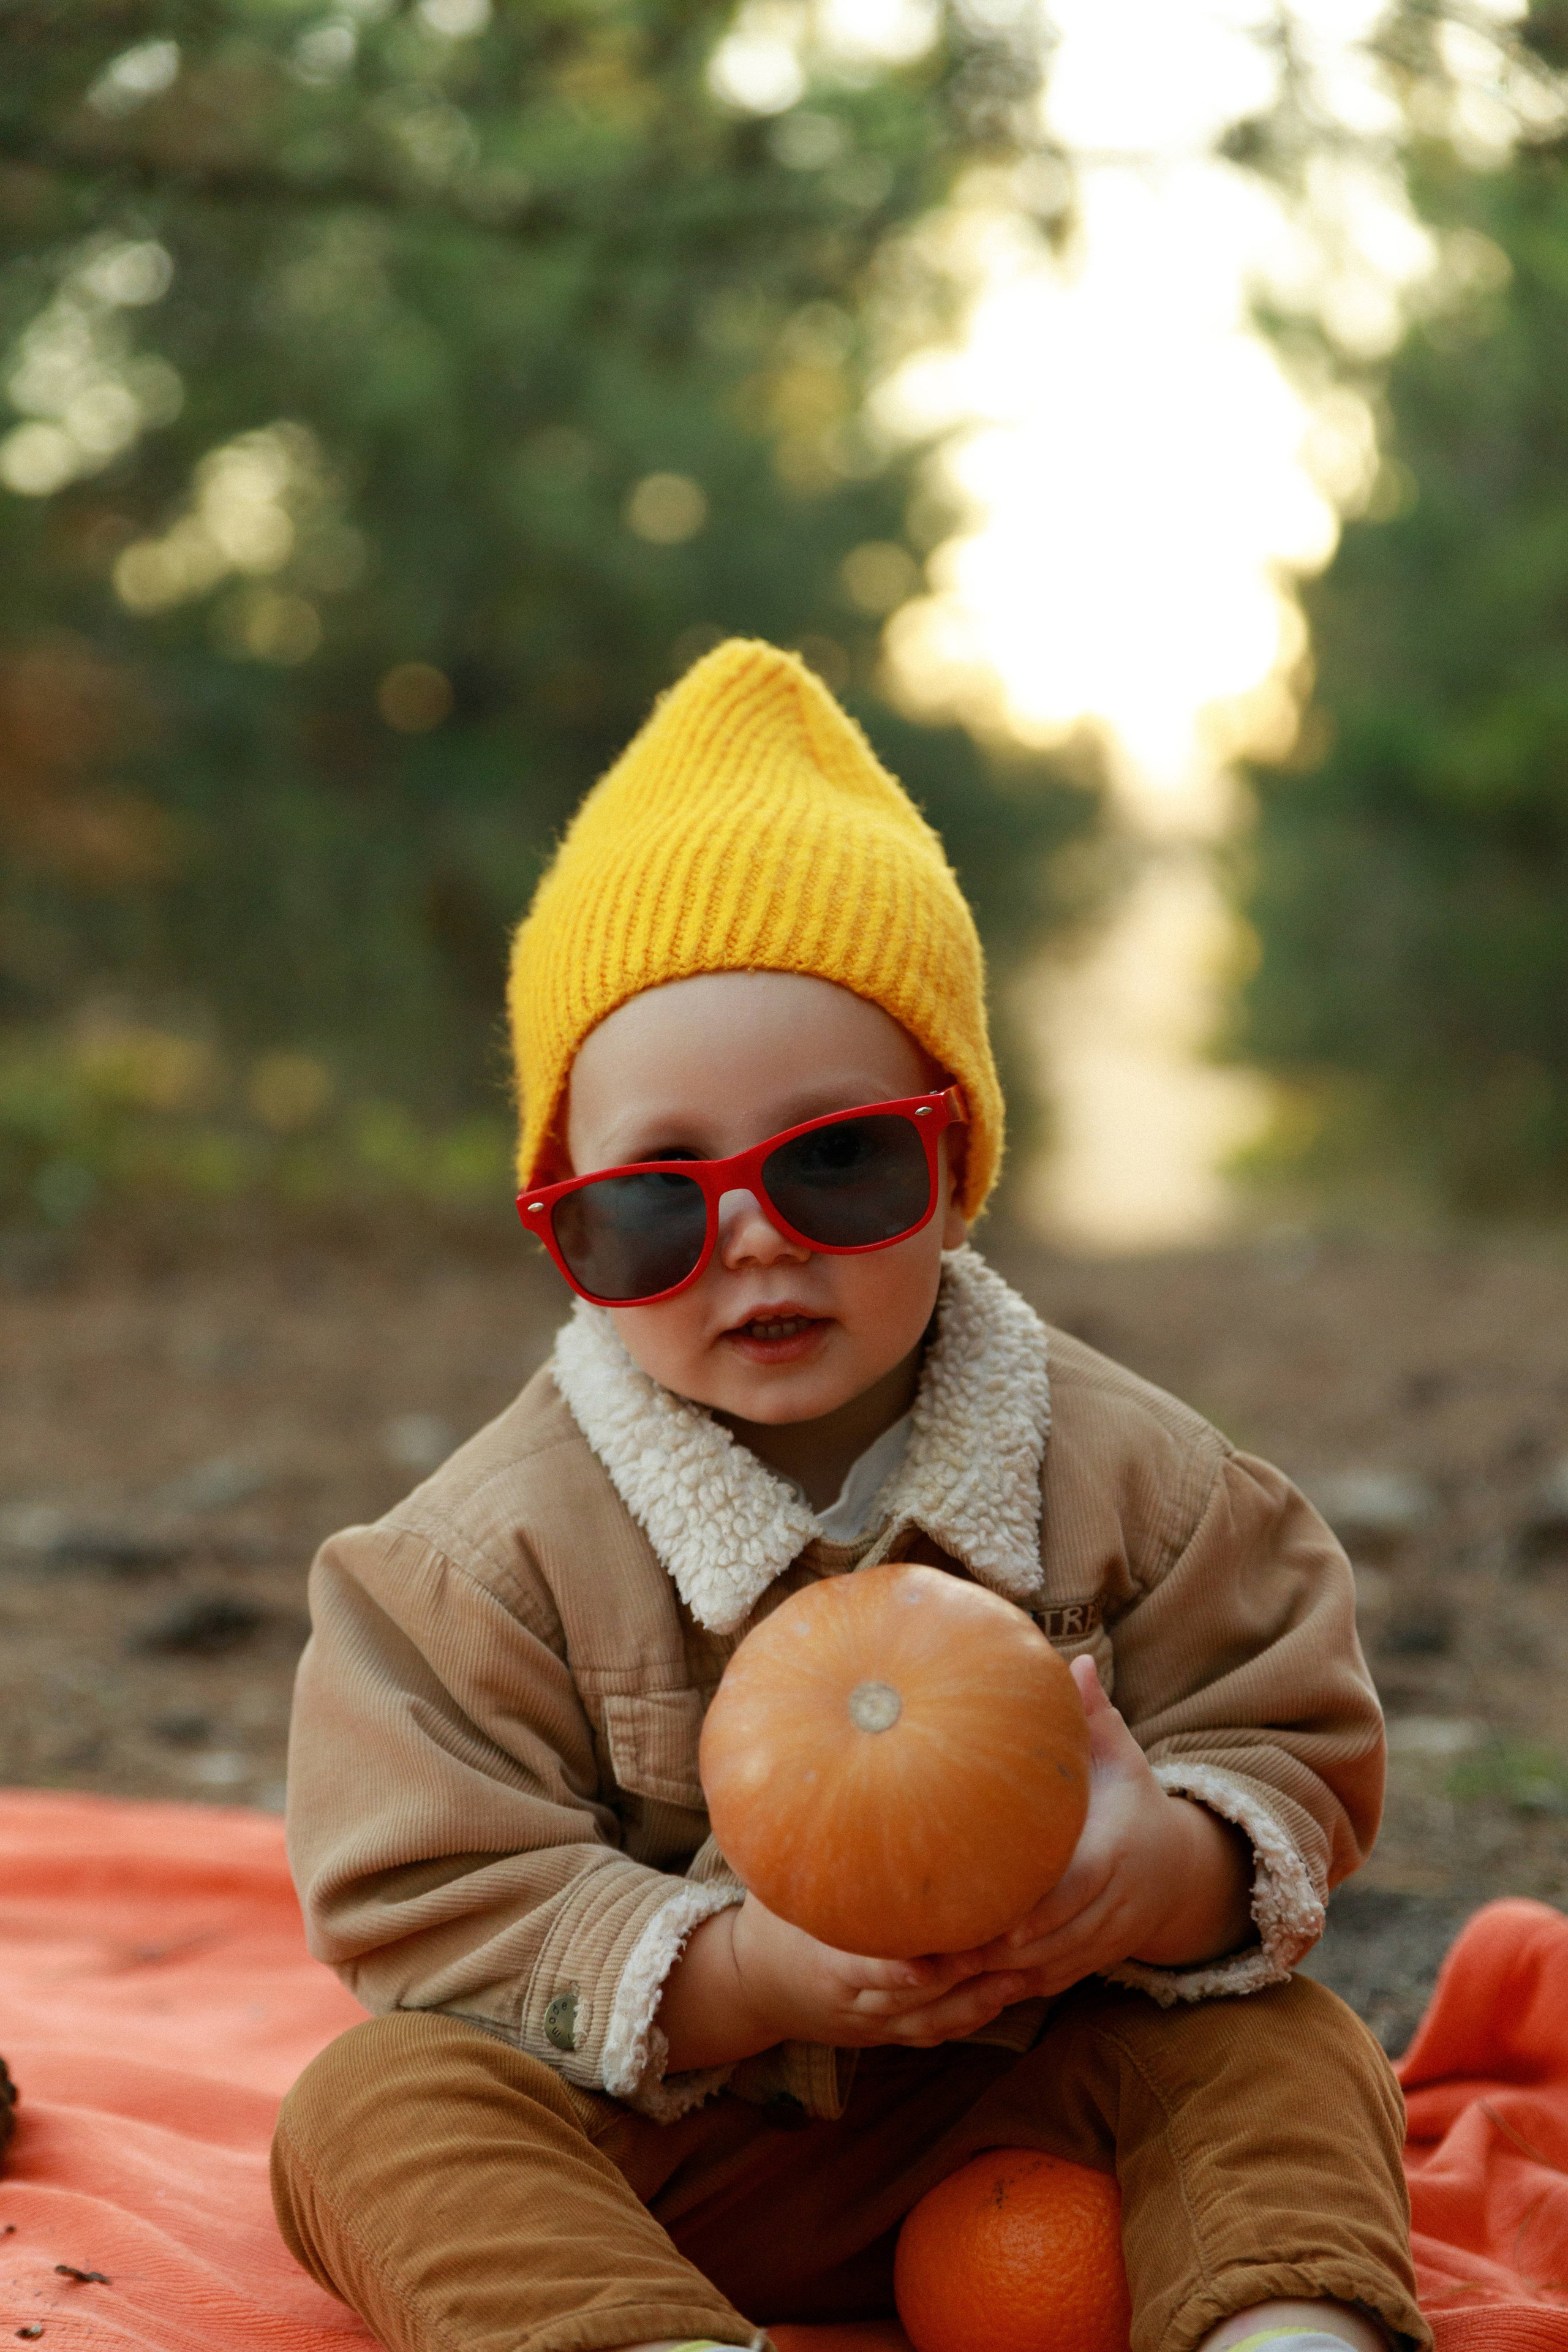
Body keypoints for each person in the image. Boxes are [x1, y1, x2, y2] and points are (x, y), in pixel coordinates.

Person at [271, 640, 1426, 2352]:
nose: (751, 1236)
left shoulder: (1148, 1487)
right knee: (369, 2111)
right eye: (656, 1201)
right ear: (569, 1234)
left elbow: (1292, 1747)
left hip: (1040, 2114)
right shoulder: (479, 1560)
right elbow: (428, 1888)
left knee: (1286, 2051)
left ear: (953, 1169)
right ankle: (630, 2337)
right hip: (677, 2148)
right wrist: (735, 1977)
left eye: (837, 1161)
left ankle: (1279, 2328)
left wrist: (1166, 1871)